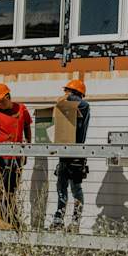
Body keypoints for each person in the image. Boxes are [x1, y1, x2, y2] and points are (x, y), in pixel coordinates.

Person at [0, 82, 32, 230]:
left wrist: (28, 145)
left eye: (1, 101)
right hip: (1, 158)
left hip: (16, 157)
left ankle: (10, 218)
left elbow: (27, 127)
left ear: (8, 96)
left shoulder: (22, 110)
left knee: (11, 189)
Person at [51, 78, 92, 232]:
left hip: (76, 154)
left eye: (67, 90)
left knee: (75, 188)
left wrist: (68, 97)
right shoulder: (68, 109)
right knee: (61, 186)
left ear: (75, 93)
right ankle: (58, 219)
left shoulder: (83, 106)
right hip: (64, 152)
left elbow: (81, 103)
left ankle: (75, 221)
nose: (64, 93)